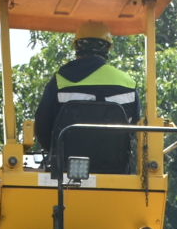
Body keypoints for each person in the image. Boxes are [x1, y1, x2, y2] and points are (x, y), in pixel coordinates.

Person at [32, 21, 138, 170]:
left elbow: (42, 128)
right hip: (116, 169)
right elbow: (134, 129)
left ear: (77, 47)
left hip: (66, 170)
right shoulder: (127, 83)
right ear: (107, 48)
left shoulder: (60, 80)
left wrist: (57, 153)